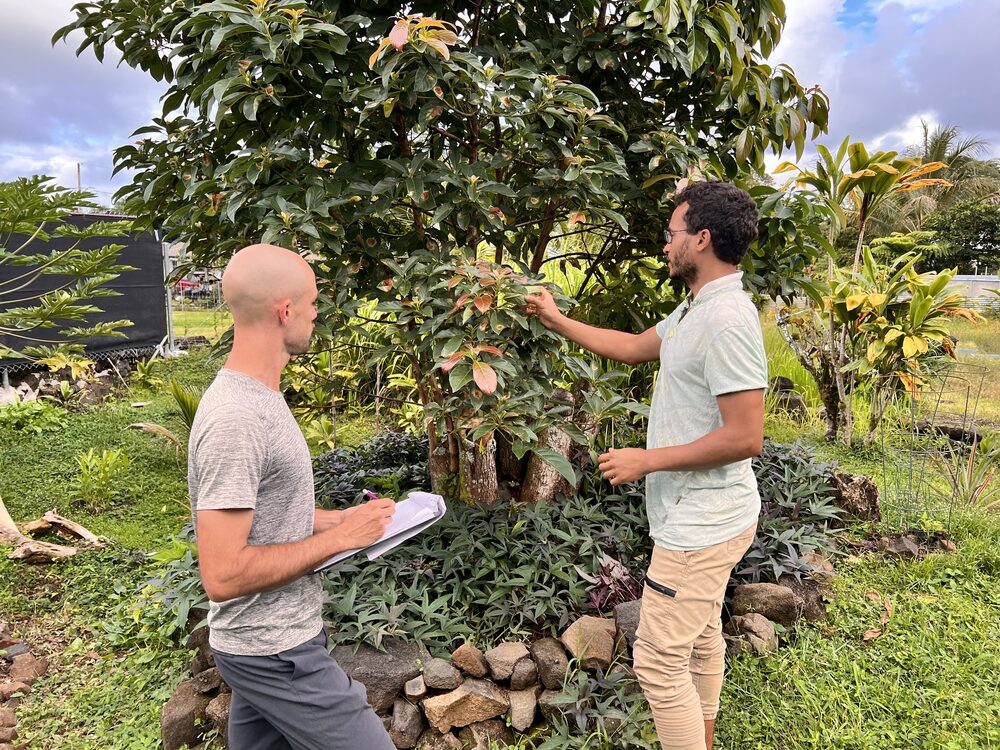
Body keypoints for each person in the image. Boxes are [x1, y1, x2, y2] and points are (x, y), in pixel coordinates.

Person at [525, 181, 766, 750]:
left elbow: (746, 436)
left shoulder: (728, 318)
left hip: (701, 525)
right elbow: (634, 347)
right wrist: (555, 319)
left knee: (658, 662)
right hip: (705, 515)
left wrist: (647, 460)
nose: (664, 243)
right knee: (701, 639)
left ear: (701, 239)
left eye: (671, 232)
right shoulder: (696, 307)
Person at [188, 243, 397, 750]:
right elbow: (223, 574)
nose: (316, 313)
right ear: (285, 311)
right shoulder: (237, 418)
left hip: (272, 642)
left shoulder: (260, 395)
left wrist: (338, 520)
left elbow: (268, 511)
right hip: (273, 653)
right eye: (313, 302)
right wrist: (339, 540)